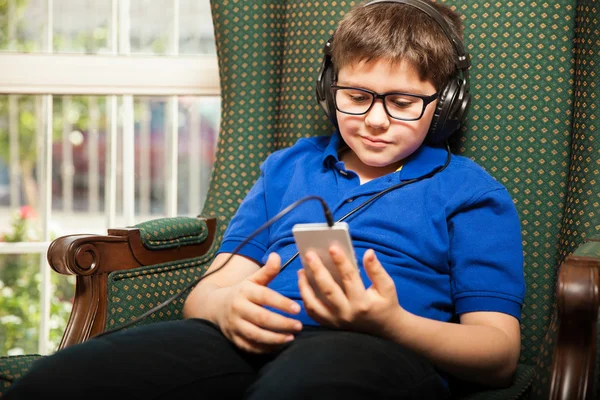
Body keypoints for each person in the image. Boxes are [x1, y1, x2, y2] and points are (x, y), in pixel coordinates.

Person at [4, 0, 525, 399]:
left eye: (404, 102)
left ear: (447, 103)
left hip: (384, 351)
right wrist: (227, 307)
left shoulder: (472, 193)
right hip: (249, 339)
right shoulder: (286, 169)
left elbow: (498, 352)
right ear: (330, 89)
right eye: (357, 95)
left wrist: (391, 323)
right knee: (64, 380)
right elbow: (205, 295)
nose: (375, 118)